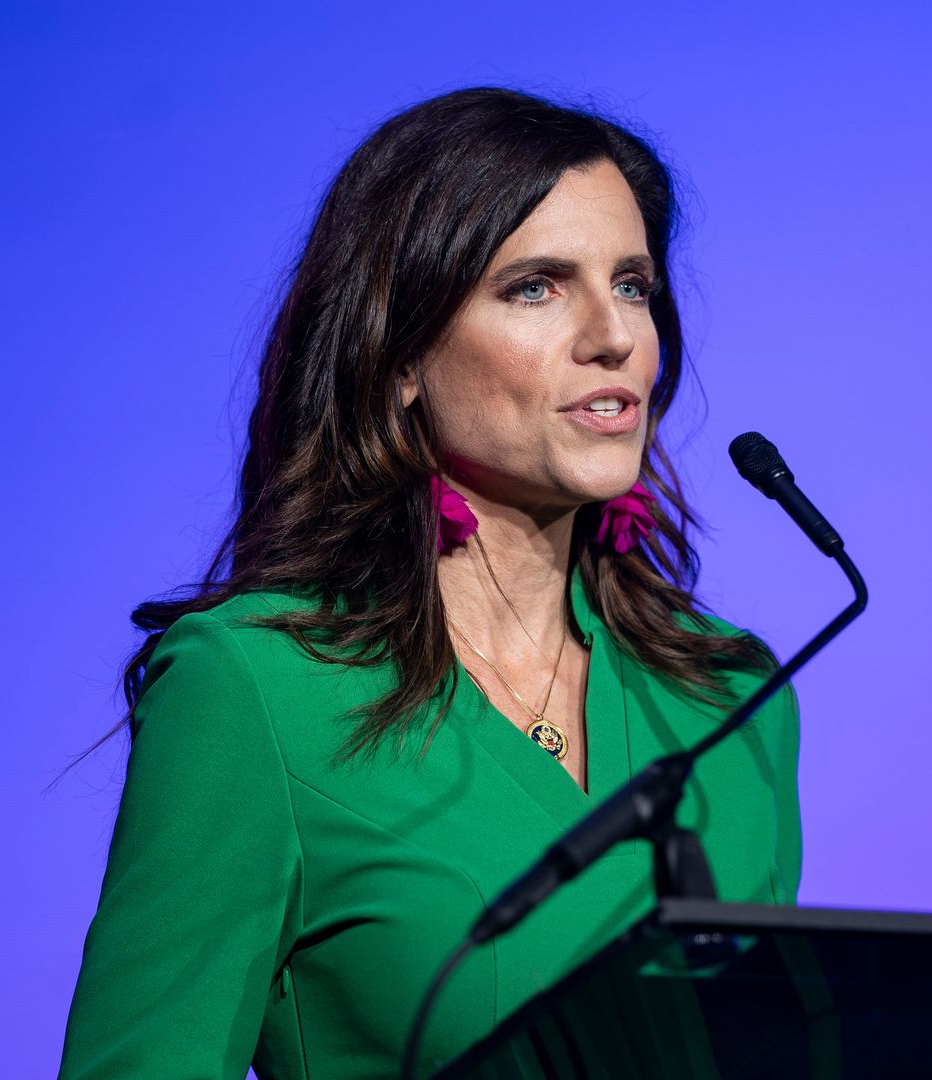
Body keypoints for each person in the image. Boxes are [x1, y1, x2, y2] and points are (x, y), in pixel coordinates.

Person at [56, 86, 803, 1079]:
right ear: (399, 354)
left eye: (632, 283)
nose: (613, 334)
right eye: (536, 286)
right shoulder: (255, 691)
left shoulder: (731, 699)